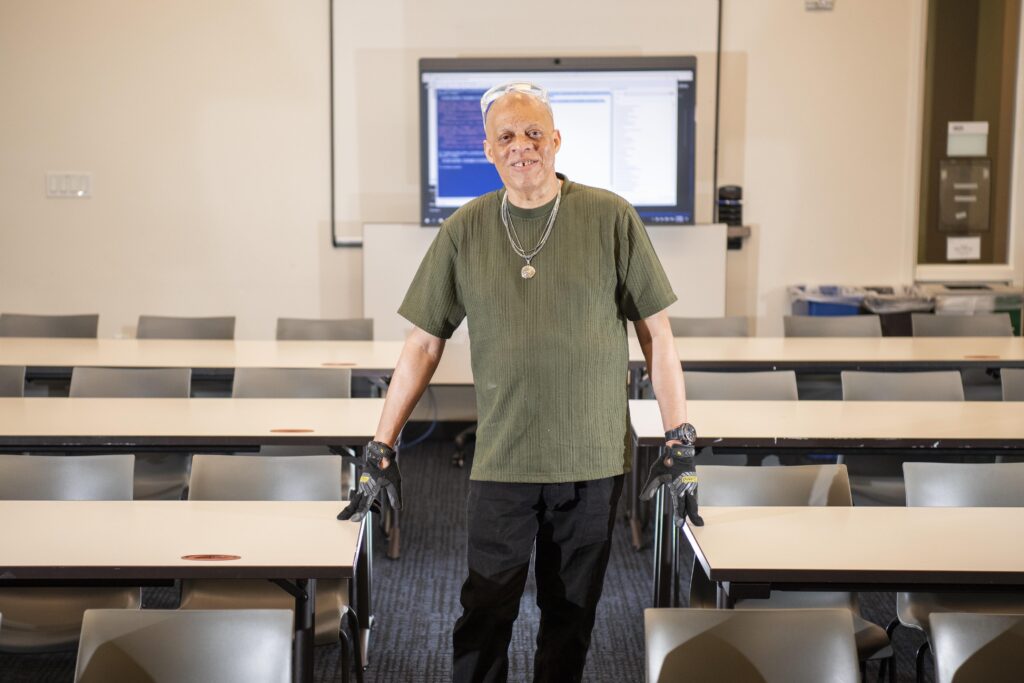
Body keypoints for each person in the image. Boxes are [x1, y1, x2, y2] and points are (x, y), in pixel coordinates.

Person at [338, 81, 699, 683]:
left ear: (556, 140)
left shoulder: (611, 216)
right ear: (487, 149)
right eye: (506, 135)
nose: (521, 146)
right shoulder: (465, 229)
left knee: (572, 614)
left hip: (591, 458)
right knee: (485, 609)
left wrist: (678, 435)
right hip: (503, 460)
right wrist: (382, 445)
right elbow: (423, 344)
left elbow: (656, 335)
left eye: (534, 133)